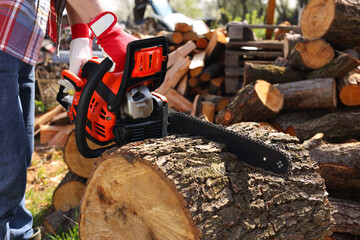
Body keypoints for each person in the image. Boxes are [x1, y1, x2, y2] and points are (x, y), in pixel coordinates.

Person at [0, 0, 137, 239]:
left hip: (22, 45)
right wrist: (109, 31)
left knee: (21, 155)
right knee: (6, 164)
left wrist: (81, 40)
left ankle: (17, 231)